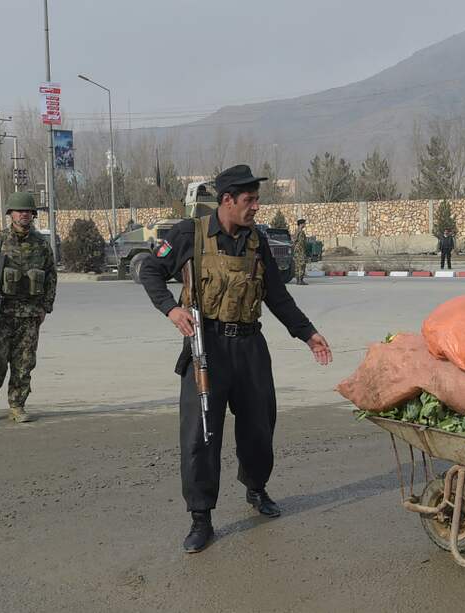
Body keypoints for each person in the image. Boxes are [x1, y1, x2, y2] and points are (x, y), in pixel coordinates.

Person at [138, 164, 332, 554]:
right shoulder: (189, 234)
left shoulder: (257, 241)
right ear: (227, 200)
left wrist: (308, 333)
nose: (256, 207)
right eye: (250, 200)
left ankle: (256, 488)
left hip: (249, 347)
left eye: (257, 199)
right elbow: (150, 270)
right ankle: (200, 517)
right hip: (206, 347)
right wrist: (171, 310)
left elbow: (277, 297)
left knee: (260, 426)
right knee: (200, 435)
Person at [0, 192, 57, 423]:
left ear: (33, 215)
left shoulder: (41, 245)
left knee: (24, 363)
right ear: (11, 214)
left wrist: (45, 307)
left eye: (28, 211)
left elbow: (51, 277)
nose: (24, 214)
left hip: (29, 315)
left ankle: (17, 405)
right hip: (1, 312)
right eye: (19, 211)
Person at [293, 218, 308, 285]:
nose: (305, 225)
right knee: (302, 265)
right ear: (301, 224)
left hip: (296, 251)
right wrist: (304, 251)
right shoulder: (301, 232)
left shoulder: (296, 231)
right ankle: (300, 280)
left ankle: (297, 280)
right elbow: (302, 243)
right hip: (300, 251)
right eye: (304, 223)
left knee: (297, 265)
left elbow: (294, 241)